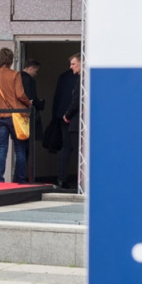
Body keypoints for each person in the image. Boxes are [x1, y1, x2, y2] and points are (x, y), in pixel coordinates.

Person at [0, 47, 31, 183]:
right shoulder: (15, 75)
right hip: (14, 116)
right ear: (11, 60)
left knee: (2, 148)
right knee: (19, 149)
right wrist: (28, 102)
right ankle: (21, 180)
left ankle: (0, 179)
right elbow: (19, 94)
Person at [52, 53, 82, 189]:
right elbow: (76, 100)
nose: (71, 67)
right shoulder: (82, 78)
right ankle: (79, 181)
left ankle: (62, 178)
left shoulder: (63, 77)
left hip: (64, 116)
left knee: (67, 149)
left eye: (73, 64)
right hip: (72, 117)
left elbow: (57, 98)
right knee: (78, 150)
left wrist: (56, 116)